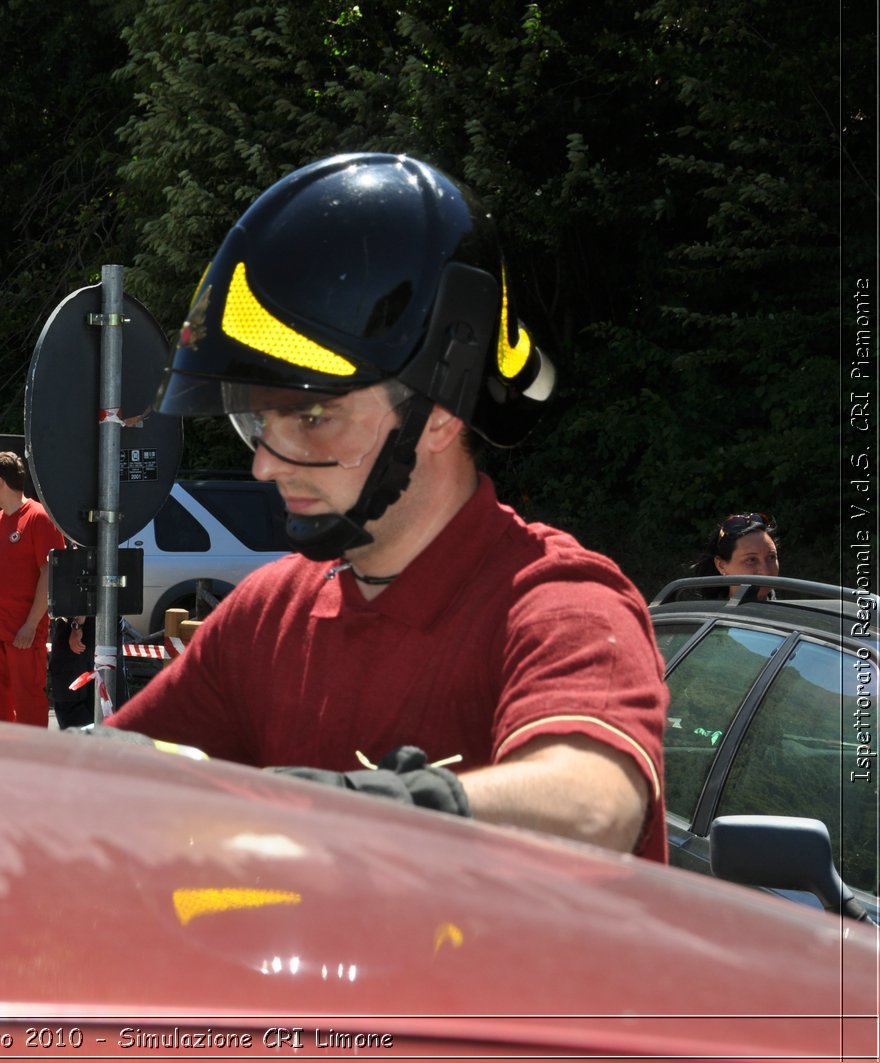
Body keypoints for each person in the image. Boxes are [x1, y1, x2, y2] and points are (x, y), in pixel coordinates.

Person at [105, 153, 669, 861]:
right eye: (258, 421)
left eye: (312, 419)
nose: (263, 462)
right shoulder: (270, 616)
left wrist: (384, 809)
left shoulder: (561, 604)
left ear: (438, 417)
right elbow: (114, 776)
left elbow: (594, 805)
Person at [0, 452, 65, 727]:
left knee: (27, 697)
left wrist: (31, 624)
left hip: (22, 626)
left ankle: (31, 759)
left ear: (0, 483)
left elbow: (49, 573)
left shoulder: (39, 518)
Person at [692, 512, 780, 600]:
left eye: (771, 557)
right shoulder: (703, 613)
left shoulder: (790, 611)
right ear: (721, 565)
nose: (765, 571)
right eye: (751, 560)